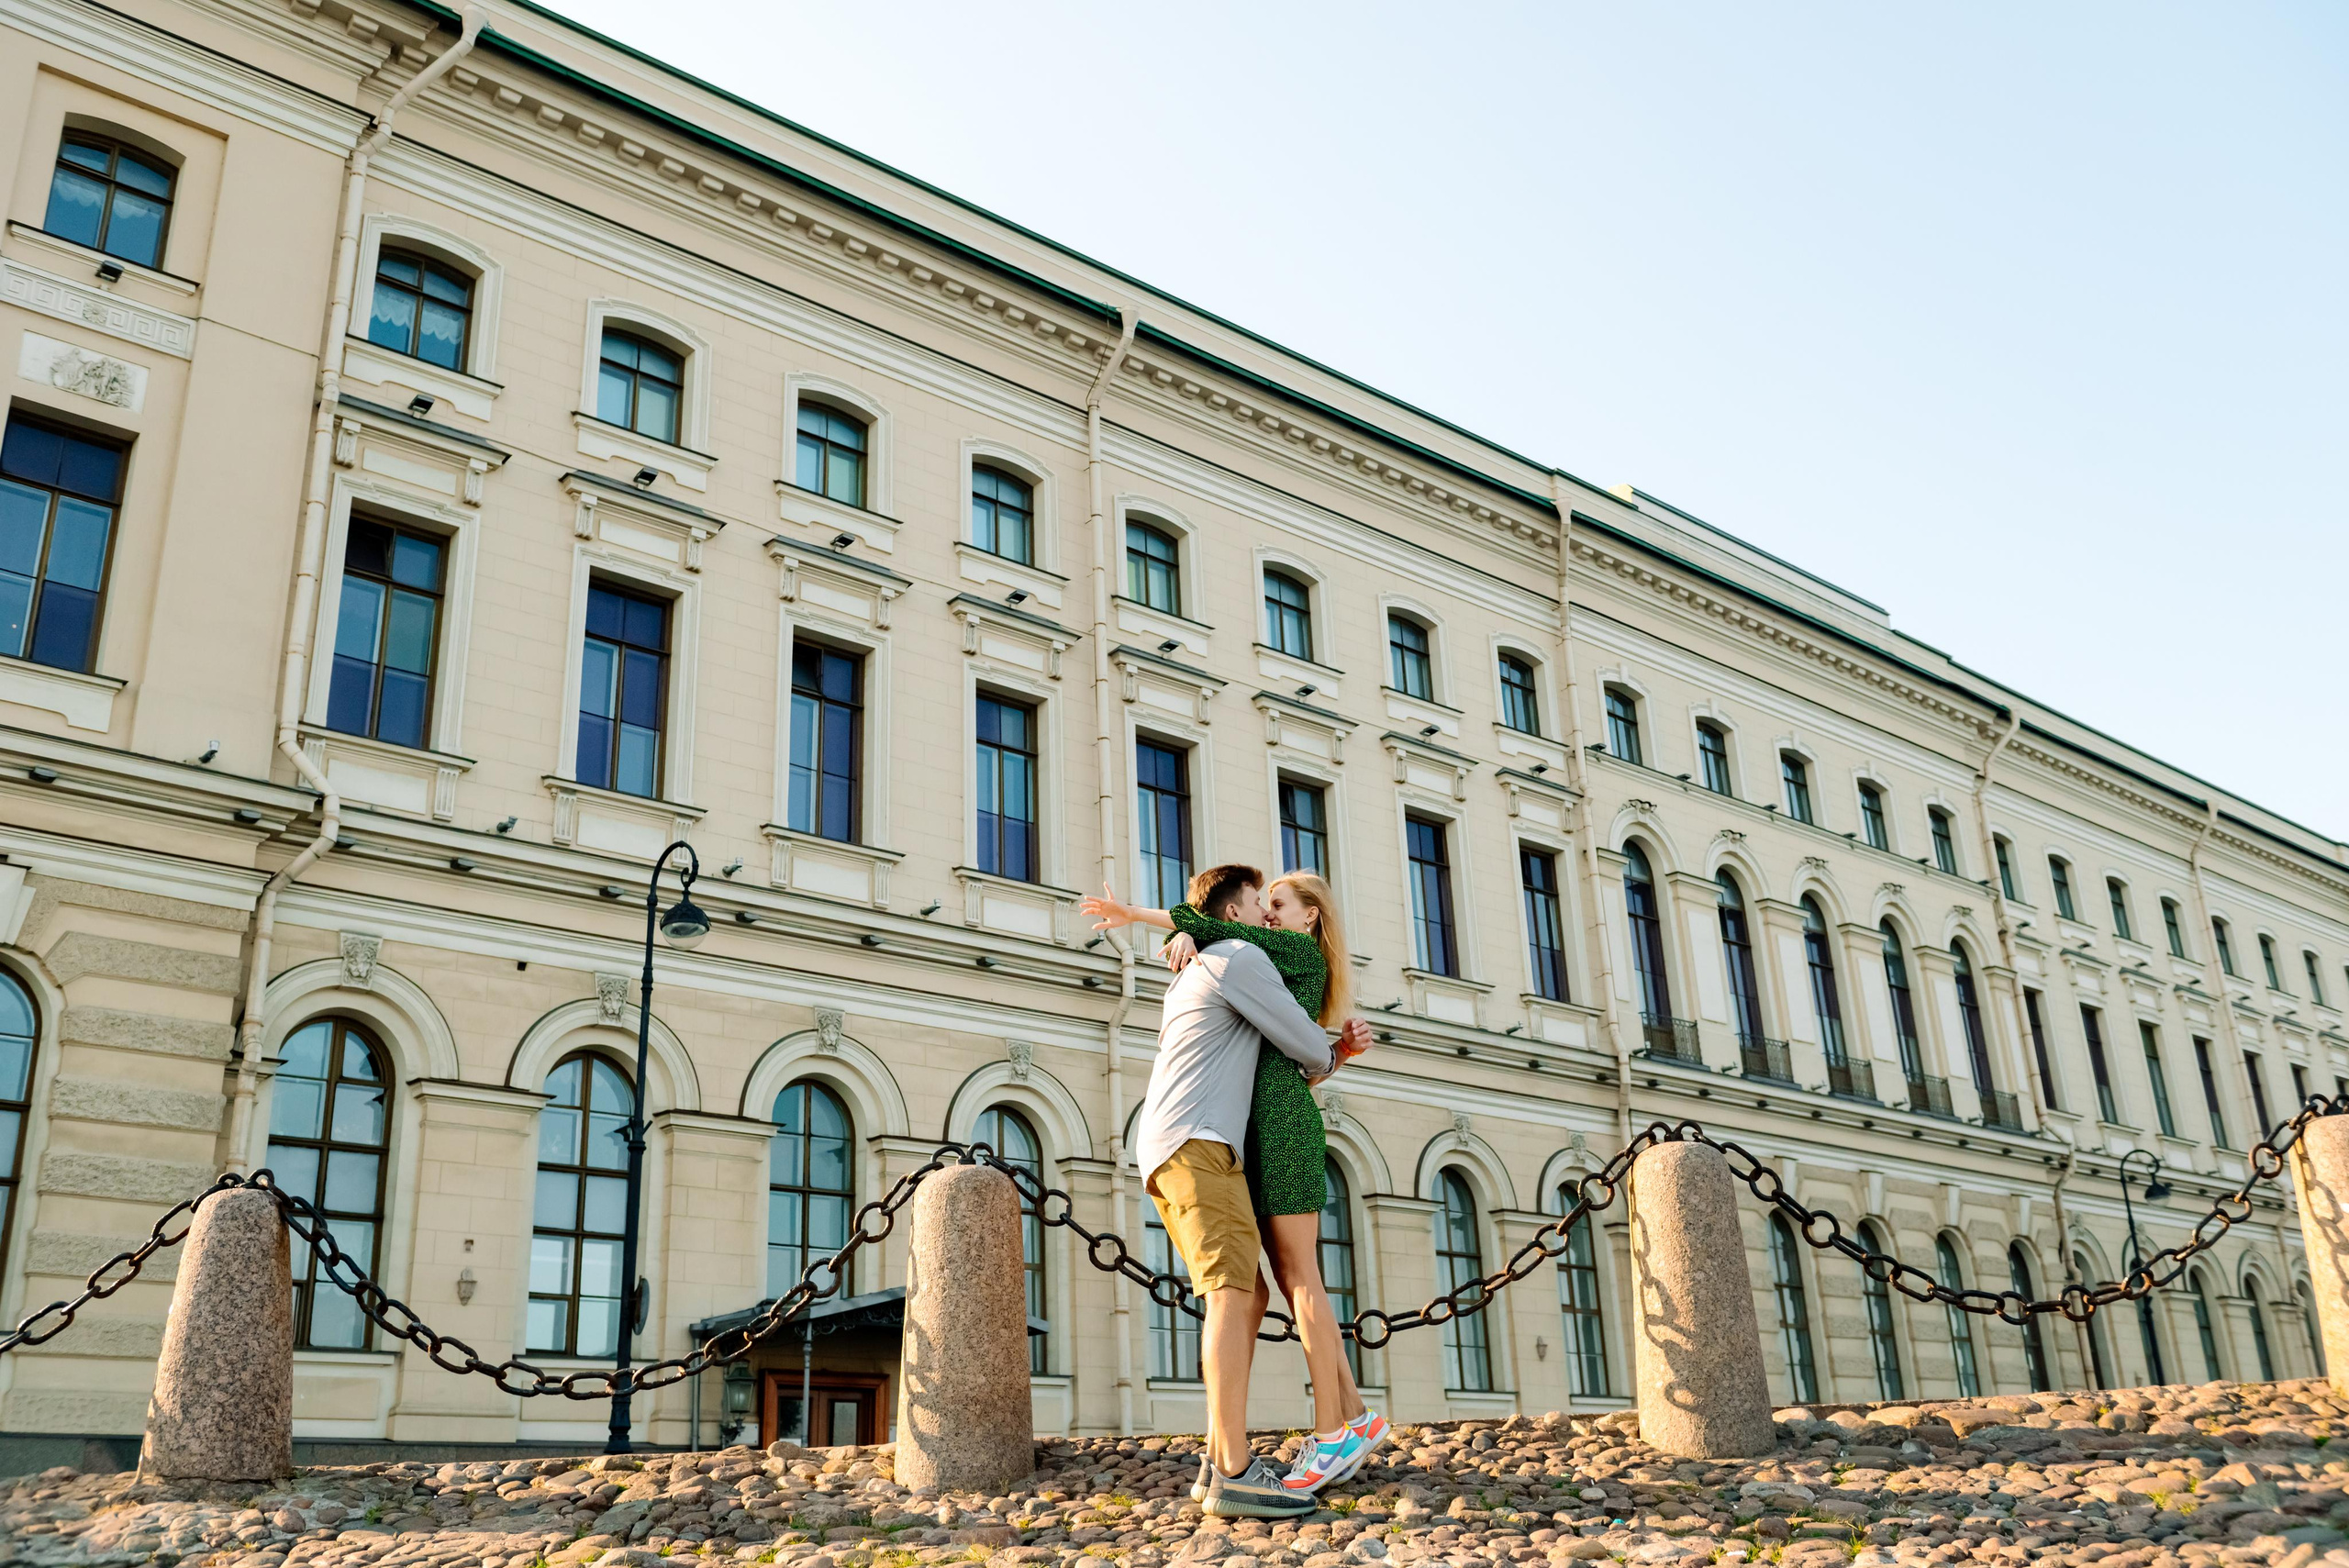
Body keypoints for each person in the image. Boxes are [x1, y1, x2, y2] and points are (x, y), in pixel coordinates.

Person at [1084, 867, 1389, 1494]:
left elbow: (1298, 1055)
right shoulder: (1238, 955)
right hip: (1209, 1141)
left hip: (1236, 1138)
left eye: (1278, 903)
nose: (1268, 912)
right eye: (1260, 901)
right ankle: (1252, 1454)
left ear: (1310, 917)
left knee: (1257, 1290)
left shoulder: (1248, 954)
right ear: (1234, 915)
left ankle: (1308, 1435)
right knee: (1250, 1287)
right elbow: (1304, 1050)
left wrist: (1170, 927)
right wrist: (1336, 1053)